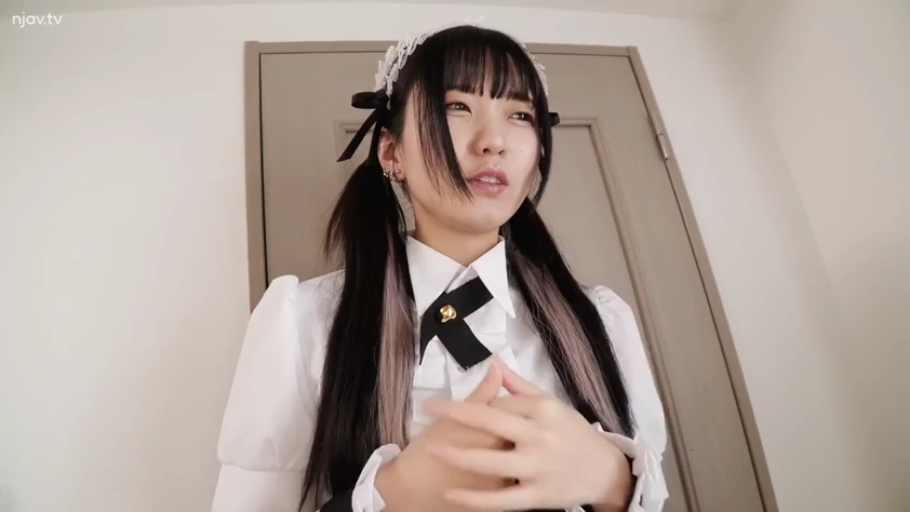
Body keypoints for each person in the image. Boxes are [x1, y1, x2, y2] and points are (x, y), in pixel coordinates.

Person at [211, 22, 668, 512]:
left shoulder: (603, 321)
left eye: (520, 115)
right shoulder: (302, 323)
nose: (494, 141)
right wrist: (392, 492)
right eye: (456, 106)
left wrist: (613, 482)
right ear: (392, 151)